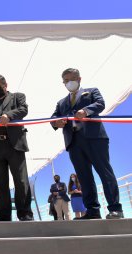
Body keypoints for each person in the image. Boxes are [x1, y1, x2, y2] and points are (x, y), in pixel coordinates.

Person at [51, 68, 123, 219]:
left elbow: (100, 103)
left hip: (95, 138)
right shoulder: (61, 103)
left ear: (79, 79)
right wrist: (56, 122)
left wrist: (86, 111)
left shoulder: (91, 92)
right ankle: (92, 210)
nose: (69, 83)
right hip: (74, 143)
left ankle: (115, 208)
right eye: (66, 81)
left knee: (105, 172)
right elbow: (53, 118)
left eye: (72, 79)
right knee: (84, 177)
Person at [0, 74, 33, 221]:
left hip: (14, 145)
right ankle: (4, 215)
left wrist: (8, 115)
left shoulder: (17, 97)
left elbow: (23, 110)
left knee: (21, 181)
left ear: (5, 85)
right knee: (0, 183)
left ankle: (24, 213)